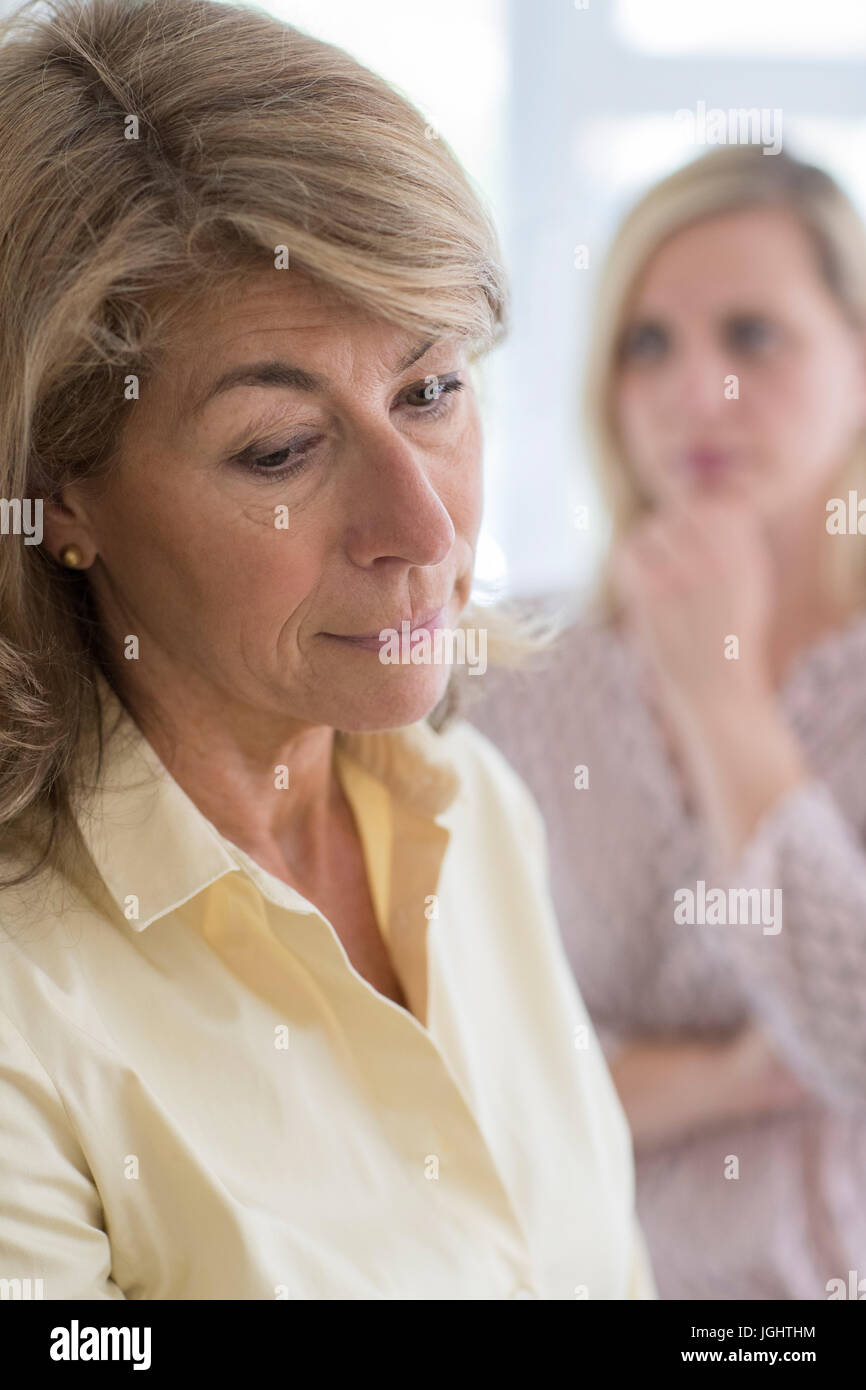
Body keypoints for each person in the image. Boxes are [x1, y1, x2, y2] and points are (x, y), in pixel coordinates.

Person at [0, 0, 656, 1301]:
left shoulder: (474, 812)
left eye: (430, 391)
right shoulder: (30, 1002)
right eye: (281, 450)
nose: (421, 526)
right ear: (58, 494)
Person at [469, 145, 866, 1301]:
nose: (694, 391)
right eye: (648, 343)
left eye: (751, 336)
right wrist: (739, 1071)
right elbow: (457, 1073)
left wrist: (716, 700)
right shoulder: (511, 665)